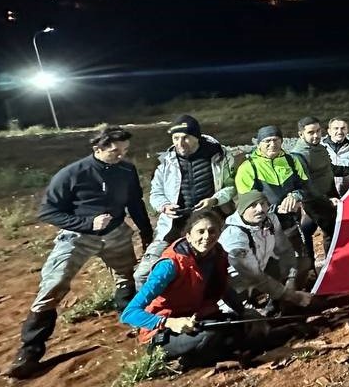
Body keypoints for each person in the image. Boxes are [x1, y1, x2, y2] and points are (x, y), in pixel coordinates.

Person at [6, 127, 154, 378]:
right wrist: (87, 224)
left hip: (116, 233)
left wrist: (145, 232)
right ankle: (29, 351)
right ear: (98, 149)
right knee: (54, 284)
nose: (121, 155)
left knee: (126, 275)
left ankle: (129, 317)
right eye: (115, 151)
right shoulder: (72, 174)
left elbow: (135, 202)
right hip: (78, 237)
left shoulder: (126, 170)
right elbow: (48, 211)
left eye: (125, 151)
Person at [121, 209, 297, 369]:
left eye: (212, 231)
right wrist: (170, 323)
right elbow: (129, 313)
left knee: (243, 327)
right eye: (201, 231)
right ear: (188, 236)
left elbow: (223, 288)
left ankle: (230, 350)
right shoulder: (169, 265)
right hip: (164, 331)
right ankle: (183, 363)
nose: (207, 237)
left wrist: (243, 312)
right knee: (211, 335)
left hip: (200, 319)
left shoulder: (217, 254)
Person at [135, 115, 238, 289]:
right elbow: (156, 192)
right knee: (143, 274)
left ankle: (222, 306)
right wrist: (164, 206)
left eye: (185, 138)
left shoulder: (220, 157)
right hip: (174, 224)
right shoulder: (165, 162)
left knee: (226, 268)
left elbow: (231, 187)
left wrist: (214, 200)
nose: (180, 143)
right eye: (176, 138)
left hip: (213, 221)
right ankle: (149, 311)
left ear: (196, 137)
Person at [235, 126, 310, 280]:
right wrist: (276, 209)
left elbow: (305, 186)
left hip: (291, 223)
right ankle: (274, 298)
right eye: (267, 141)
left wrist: (295, 196)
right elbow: (247, 205)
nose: (272, 144)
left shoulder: (291, 160)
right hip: (265, 228)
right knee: (272, 265)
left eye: (276, 140)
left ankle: (299, 288)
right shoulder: (248, 168)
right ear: (259, 144)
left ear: (282, 141)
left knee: (299, 258)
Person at [219, 191, 312, 310]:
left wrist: (291, 278)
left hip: (262, 271)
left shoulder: (270, 219)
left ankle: (283, 306)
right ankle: (256, 308)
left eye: (263, 203)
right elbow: (254, 276)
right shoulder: (234, 235)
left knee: (302, 263)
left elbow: (285, 250)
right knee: (257, 325)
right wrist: (290, 295)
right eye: (253, 205)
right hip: (237, 287)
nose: (260, 209)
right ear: (242, 210)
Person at [291, 117, 338, 270]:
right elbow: (307, 184)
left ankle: (310, 261)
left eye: (318, 131)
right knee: (332, 232)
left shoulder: (320, 147)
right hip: (316, 201)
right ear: (300, 134)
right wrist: (328, 200)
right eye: (311, 132)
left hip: (329, 194)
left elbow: (329, 169)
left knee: (308, 228)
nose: (316, 135)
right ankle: (330, 267)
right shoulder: (299, 155)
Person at [323, 117, 349, 196]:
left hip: (347, 195)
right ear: (329, 131)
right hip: (325, 197)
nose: (339, 132)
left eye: (343, 128)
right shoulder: (320, 148)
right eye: (336, 128)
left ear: (347, 130)